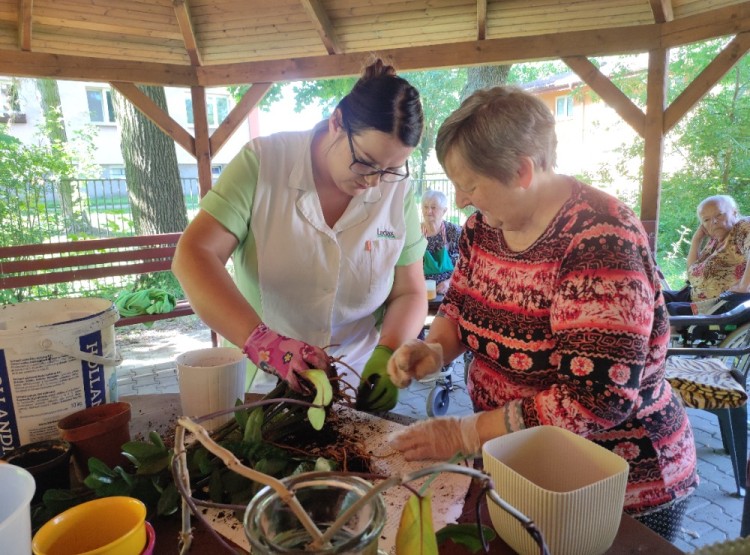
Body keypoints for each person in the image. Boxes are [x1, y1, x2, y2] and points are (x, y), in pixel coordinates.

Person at [386, 86, 698, 540]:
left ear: (522, 171)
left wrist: (461, 434)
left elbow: (595, 400)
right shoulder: (482, 231)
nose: (461, 201)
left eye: (469, 185)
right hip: (517, 470)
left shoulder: (600, 239)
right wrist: (435, 348)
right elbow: (457, 306)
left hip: (613, 490)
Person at [172, 58, 428, 412]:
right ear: (337, 122)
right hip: (267, 386)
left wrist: (389, 351)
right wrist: (264, 343)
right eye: (366, 162)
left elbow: (410, 291)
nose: (373, 182)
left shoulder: (397, 191)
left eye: (390, 170)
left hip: (358, 386)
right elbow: (193, 255)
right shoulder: (263, 163)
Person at [662, 195, 750, 315]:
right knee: (650, 296)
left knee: (666, 310)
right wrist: (696, 240)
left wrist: (744, 286)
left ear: (734, 213)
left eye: (719, 215)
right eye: (706, 219)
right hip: (694, 295)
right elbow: (692, 273)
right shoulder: (716, 239)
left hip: (717, 305)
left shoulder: (742, 227)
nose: (713, 222)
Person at [421, 189, 461, 296]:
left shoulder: (454, 232)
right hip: (421, 290)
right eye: (425, 207)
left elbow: (466, 263)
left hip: (449, 289)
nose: (428, 211)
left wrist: (449, 282)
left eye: (433, 207)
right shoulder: (415, 232)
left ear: (444, 211)